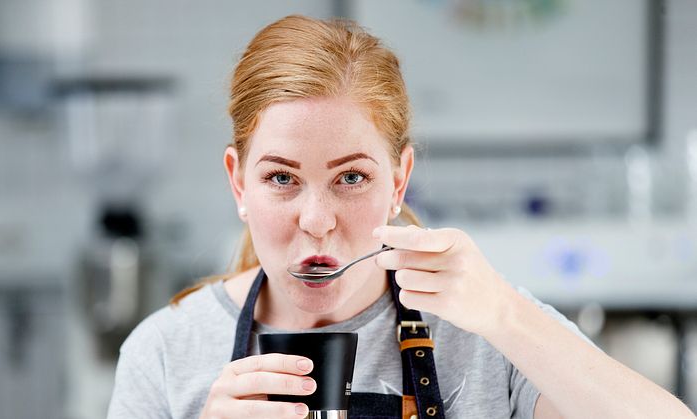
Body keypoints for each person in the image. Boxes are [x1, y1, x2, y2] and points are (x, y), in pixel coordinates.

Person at [107, 14, 695, 419]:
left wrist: (507, 315)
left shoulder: (483, 335)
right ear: (239, 181)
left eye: (352, 178)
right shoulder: (164, 353)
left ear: (399, 181)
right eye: (281, 178)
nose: (317, 220)